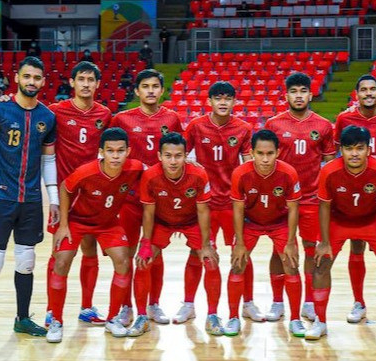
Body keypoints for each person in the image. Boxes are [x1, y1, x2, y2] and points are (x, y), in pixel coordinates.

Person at [0, 56, 57, 346]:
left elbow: (49, 162)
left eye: (37, 77)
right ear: (16, 78)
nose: (32, 82)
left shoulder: (48, 117)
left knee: (27, 262)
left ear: (43, 81)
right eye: (27, 76)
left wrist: (53, 200)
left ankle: (22, 319)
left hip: (31, 202)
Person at [45, 127, 143, 343]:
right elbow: (64, 188)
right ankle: (56, 321)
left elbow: (155, 171)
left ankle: (112, 319)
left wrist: (190, 162)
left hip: (107, 223)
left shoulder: (135, 168)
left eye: (120, 151)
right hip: (77, 221)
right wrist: (63, 224)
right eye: (110, 151)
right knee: (61, 262)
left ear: (128, 151)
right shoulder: (86, 171)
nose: (115, 156)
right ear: (101, 152)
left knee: (124, 261)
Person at [306, 125, 376, 341]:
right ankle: (320, 321)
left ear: (369, 149)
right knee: (321, 262)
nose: (354, 153)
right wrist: (324, 241)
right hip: (339, 220)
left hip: (372, 220)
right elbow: (324, 206)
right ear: (342, 150)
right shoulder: (329, 171)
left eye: (360, 148)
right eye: (349, 149)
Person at [180, 81, 260, 324]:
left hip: (232, 204)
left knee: (242, 255)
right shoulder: (196, 126)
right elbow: (181, 155)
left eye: (228, 98)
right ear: (209, 101)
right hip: (204, 205)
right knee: (198, 254)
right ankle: (189, 304)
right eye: (218, 98)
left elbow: (248, 165)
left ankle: (248, 303)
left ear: (235, 102)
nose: (223, 102)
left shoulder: (244, 128)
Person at [110, 69, 184, 327]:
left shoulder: (172, 118)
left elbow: (178, 158)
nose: (150, 90)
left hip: (160, 200)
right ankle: (126, 307)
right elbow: (111, 154)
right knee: (127, 254)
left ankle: (153, 304)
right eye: (145, 86)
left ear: (162, 90)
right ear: (137, 91)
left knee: (155, 253)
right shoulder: (121, 119)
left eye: (155, 86)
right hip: (130, 199)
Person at [130, 132, 223, 336]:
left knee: (210, 260)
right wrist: (145, 242)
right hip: (162, 222)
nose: (173, 161)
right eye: (168, 156)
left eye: (178, 156)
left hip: (192, 222)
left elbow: (203, 210)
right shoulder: (150, 176)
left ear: (186, 156)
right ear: (159, 156)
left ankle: (211, 315)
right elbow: (148, 211)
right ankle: (143, 314)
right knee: (144, 260)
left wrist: (207, 244)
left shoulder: (198, 174)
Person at [264, 72, 336, 322]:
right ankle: (276, 301)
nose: (298, 96)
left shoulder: (324, 125)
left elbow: (328, 165)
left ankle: (307, 301)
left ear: (310, 94)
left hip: (311, 200)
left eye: (303, 91)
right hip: (280, 201)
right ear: (286, 95)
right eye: (293, 91)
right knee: (279, 251)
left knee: (308, 250)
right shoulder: (273, 124)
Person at [46, 61, 113, 326]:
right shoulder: (55, 111)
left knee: (90, 251)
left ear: (97, 84)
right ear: (72, 83)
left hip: (93, 195)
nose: (86, 84)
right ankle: (52, 310)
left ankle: (87, 307)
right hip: (63, 196)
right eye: (81, 79)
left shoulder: (105, 114)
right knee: (59, 255)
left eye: (91, 80)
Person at [333, 74, 376, 324]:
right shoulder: (344, 118)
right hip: (351, 193)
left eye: (373, 89)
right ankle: (358, 302)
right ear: (357, 94)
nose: (368, 93)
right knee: (356, 247)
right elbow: (336, 153)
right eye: (363, 90)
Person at [225, 129, 304, 337]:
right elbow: (237, 209)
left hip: (280, 222)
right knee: (237, 263)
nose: (265, 159)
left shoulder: (289, 173)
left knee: (291, 264)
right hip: (250, 222)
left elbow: (294, 208)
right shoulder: (240, 173)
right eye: (260, 153)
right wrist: (239, 243)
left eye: (270, 153)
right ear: (252, 152)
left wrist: (290, 242)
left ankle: (294, 318)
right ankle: (233, 316)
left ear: (278, 152)